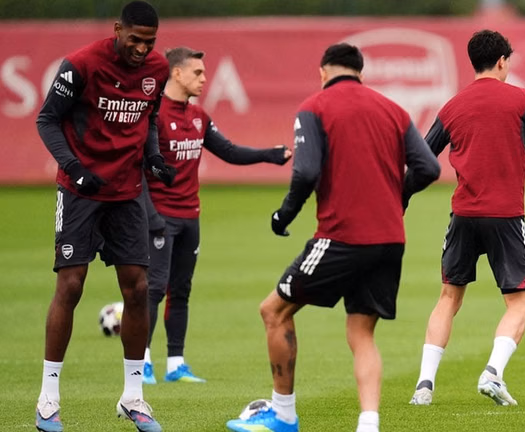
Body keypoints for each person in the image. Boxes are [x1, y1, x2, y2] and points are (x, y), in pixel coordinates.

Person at [226, 43, 441, 432]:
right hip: (389, 240)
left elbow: (305, 172)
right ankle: (369, 423)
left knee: (273, 311)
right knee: (361, 333)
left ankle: (283, 415)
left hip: (342, 237)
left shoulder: (315, 107)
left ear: (323, 72)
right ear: (361, 73)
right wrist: (398, 196)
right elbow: (428, 167)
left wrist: (284, 214)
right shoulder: (393, 110)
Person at [407, 29, 525, 407]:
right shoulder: (521, 99)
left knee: (448, 297)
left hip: (463, 215)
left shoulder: (452, 106)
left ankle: (424, 385)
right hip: (506, 216)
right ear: (502, 61)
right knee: (518, 303)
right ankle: (493, 373)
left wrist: (400, 197)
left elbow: (422, 158)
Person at [34, 2, 175, 432]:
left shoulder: (158, 69)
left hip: (127, 194)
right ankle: (48, 398)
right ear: (117, 29)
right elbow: (47, 120)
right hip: (79, 191)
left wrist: (153, 157)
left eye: (149, 41)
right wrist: (74, 168)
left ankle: (133, 397)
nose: (142, 48)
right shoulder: (81, 64)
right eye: (135, 39)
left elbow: (149, 119)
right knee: (71, 285)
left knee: (138, 289)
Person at [141, 46, 292, 385]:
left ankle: (176, 364)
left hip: (190, 216)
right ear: (176, 73)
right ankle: (143, 361)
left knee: (181, 290)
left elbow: (229, 151)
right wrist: (150, 215)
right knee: (154, 289)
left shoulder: (198, 116)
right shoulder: (154, 116)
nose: (204, 79)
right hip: (160, 217)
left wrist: (269, 155)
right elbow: (138, 170)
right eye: (197, 72)